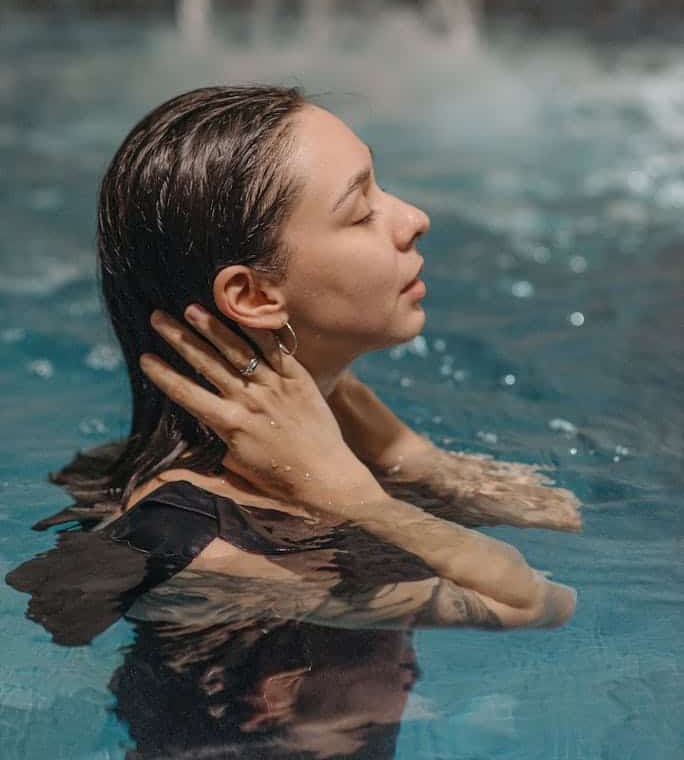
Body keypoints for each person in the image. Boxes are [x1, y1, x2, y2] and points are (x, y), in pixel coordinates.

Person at [7, 84, 582, 758]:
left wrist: (395, 444)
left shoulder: (327, 438)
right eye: (362, 211)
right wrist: (354, 498)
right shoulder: (207, 545)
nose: (413, 217)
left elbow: (552, 513)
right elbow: (539, 602)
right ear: (253, 295)